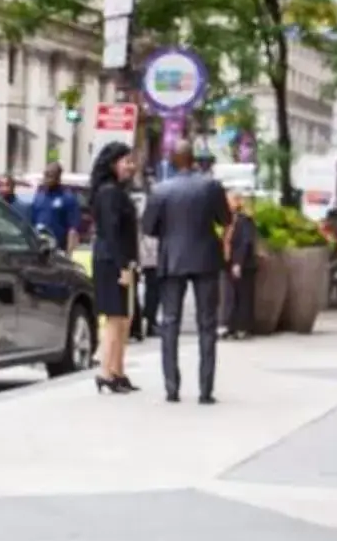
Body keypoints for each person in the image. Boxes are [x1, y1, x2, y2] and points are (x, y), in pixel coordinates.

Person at [140, 149, 231, 403]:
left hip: (173, 259)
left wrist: (170, 234)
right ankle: (205, 390)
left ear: (172, 162)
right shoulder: (211, 186)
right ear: (193, 161)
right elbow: (225, 219)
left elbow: (148, 227)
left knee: (170, 323)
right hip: (205, 259)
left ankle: (172, 388)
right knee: (207, 325)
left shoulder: (160, 190)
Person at [85, 141, 141, 393]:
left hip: (118, 259)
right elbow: (111, 232)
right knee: (114, 318)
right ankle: (106, 372)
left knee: (123, 318)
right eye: (126, 161)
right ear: (112, 164)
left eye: (131, 161)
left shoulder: (116, 191)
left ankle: (117, 370)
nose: (131, 166)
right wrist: (123, 267)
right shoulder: (109, 193)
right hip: (111, 261)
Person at [222, 190, 259, 338]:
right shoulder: (229, 220)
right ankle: (232, 326)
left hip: (243, 264)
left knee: (243, 296)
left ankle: (243, 327)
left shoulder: (244, 220)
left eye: (229, 201)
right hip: (230, 262)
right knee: (232, 296)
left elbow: (245, 242)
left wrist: (238, 263)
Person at [27, 163, 82, 249]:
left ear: (58, 177)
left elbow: (73, 229)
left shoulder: (67, 198)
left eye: (50, 175)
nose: (46, 178)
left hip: (58, 248)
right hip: (39, 247)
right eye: (45, 174)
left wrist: (69, 252)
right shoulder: (39, 196)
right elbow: (32, 223)